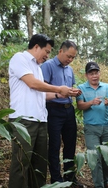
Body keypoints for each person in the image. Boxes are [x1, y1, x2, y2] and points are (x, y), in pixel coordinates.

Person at [8, 34, 76, 188]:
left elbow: (42, 94)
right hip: (23, 120)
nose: (47, 55)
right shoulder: (20, 59)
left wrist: (61, 93)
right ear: (36, 47)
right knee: (21, 162)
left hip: (40, 120)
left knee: (39, 163)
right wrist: (59, 87)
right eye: (46, 51)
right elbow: (33, 84)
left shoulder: (38, 69)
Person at [41, 40, 83, 187]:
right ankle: (56, 179)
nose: (70, 60)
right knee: (54, 145)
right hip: (53, 110)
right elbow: (43, 93)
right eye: (68, 56)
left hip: (68, 110)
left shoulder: (69, 69)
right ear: (60, 51)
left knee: (71, 144)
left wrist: (73, 92)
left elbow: (68, 90)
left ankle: (70, 177)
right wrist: (59, 94)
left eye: (73, 57)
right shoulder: (48, 66)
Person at [76, 62, 108, 188]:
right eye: (91, 74)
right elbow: (80, 105)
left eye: (96, 73)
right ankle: (99, 185)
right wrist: (91, 102)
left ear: (99, 73)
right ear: (87, 75)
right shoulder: (81, 88)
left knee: (106, 156)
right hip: (91, 128)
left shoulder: (106, 87)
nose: (94, 76)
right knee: (94, 157)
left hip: (107, 126)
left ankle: (107, 181)